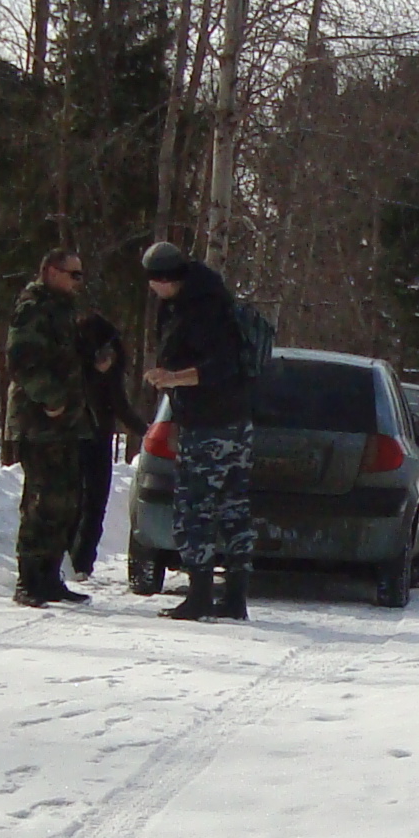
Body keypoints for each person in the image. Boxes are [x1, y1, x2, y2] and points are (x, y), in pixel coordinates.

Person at [141, 239, 251, 622]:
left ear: (164, 278)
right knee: (234, 509)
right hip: (236, 419)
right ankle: (235, 598)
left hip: (209, 423)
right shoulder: (210, 298)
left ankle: (201, 596)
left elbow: (219, 366)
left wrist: (172, 378)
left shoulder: (200, 308)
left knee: (195, 508)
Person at [4, 249, 93, 608]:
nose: (78, 282)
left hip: (66, 421)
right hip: (38, 421)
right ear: (52, 272)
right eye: (74, 274)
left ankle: (50, 577)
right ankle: (28, 579)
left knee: (66, 500)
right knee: (42, 500)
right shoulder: (33, 308)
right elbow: (22, 361)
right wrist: (51, 399)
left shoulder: (63, 310)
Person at [64, 303, 142, 587]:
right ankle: (80, 563)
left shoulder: (68, 367)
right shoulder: (103, 369)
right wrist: (144, 430)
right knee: (93, 503)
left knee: (74, 502)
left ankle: (68, 560)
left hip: (70, 436)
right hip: (94, 437)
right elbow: (119, 405)